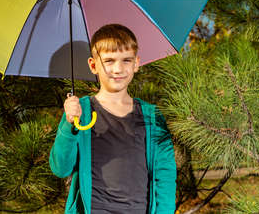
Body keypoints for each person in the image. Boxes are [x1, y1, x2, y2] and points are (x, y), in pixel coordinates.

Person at [49, 24, 176, 214]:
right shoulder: (79, 112)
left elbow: (165, 174)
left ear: (136, 63)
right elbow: (61, 168)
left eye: (126, 60)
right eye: (109, 60)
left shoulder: (152, 116)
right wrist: (69, 125)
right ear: (93, 65)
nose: (118, 69)